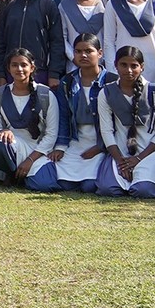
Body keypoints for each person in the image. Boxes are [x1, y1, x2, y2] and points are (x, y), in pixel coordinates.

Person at [95, 45, 155, 198]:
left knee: (142, 190)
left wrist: (138, 158)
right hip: (120, 152)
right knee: (108, 189)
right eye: (123, 65)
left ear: (142, 67)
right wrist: (121, 162)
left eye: (134, 66)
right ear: (115, 65)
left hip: (151, 151)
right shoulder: (106, 92)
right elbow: (106, 130)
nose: (129, 70)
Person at [0, 50, 62, 191]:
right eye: (14, 65)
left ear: (32, 67)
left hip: (39, 150)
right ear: (8, 68)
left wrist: (30, 160)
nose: (19, 69)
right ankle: (11, 172)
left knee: (44, 185)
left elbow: (51, 134)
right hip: (12, 147)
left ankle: (21, 176)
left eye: (23, 65)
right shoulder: (0, 94)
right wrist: (3, 131)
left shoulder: (45, 95)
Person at [53, 34, 112, 192]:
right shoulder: (67, 82)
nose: (83, 55)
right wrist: (61, 146)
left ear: (100, 53)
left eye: (88, 51)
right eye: (78, 51)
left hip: (103, 142)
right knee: (65, 184)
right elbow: (64, 116)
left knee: (89, 186)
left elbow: (118, 121)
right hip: (76, 141)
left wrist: (101, 147)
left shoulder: (111, 81)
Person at [0, 0, 65, 88]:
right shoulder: (10, 7)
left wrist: (54, 73)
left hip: (40, 71)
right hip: (12, 71)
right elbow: (0, 42)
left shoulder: (48, 5)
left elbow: (57, 42)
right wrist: (0, 74)